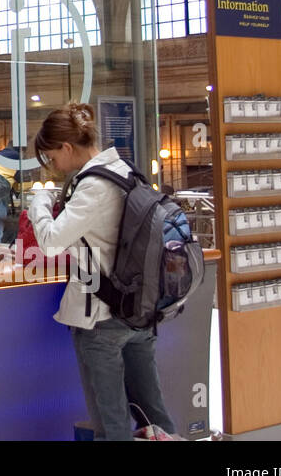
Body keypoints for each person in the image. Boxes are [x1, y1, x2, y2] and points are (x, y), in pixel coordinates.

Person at [28, 102, 176, 441]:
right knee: (155, 419)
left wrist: (39, 202)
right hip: (139, 311)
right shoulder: (127, 171)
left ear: (66, 147)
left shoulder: (94, 185)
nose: (53, 166)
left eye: (52, 157)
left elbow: (50, 241)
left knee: (112, 428)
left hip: (101, 319)